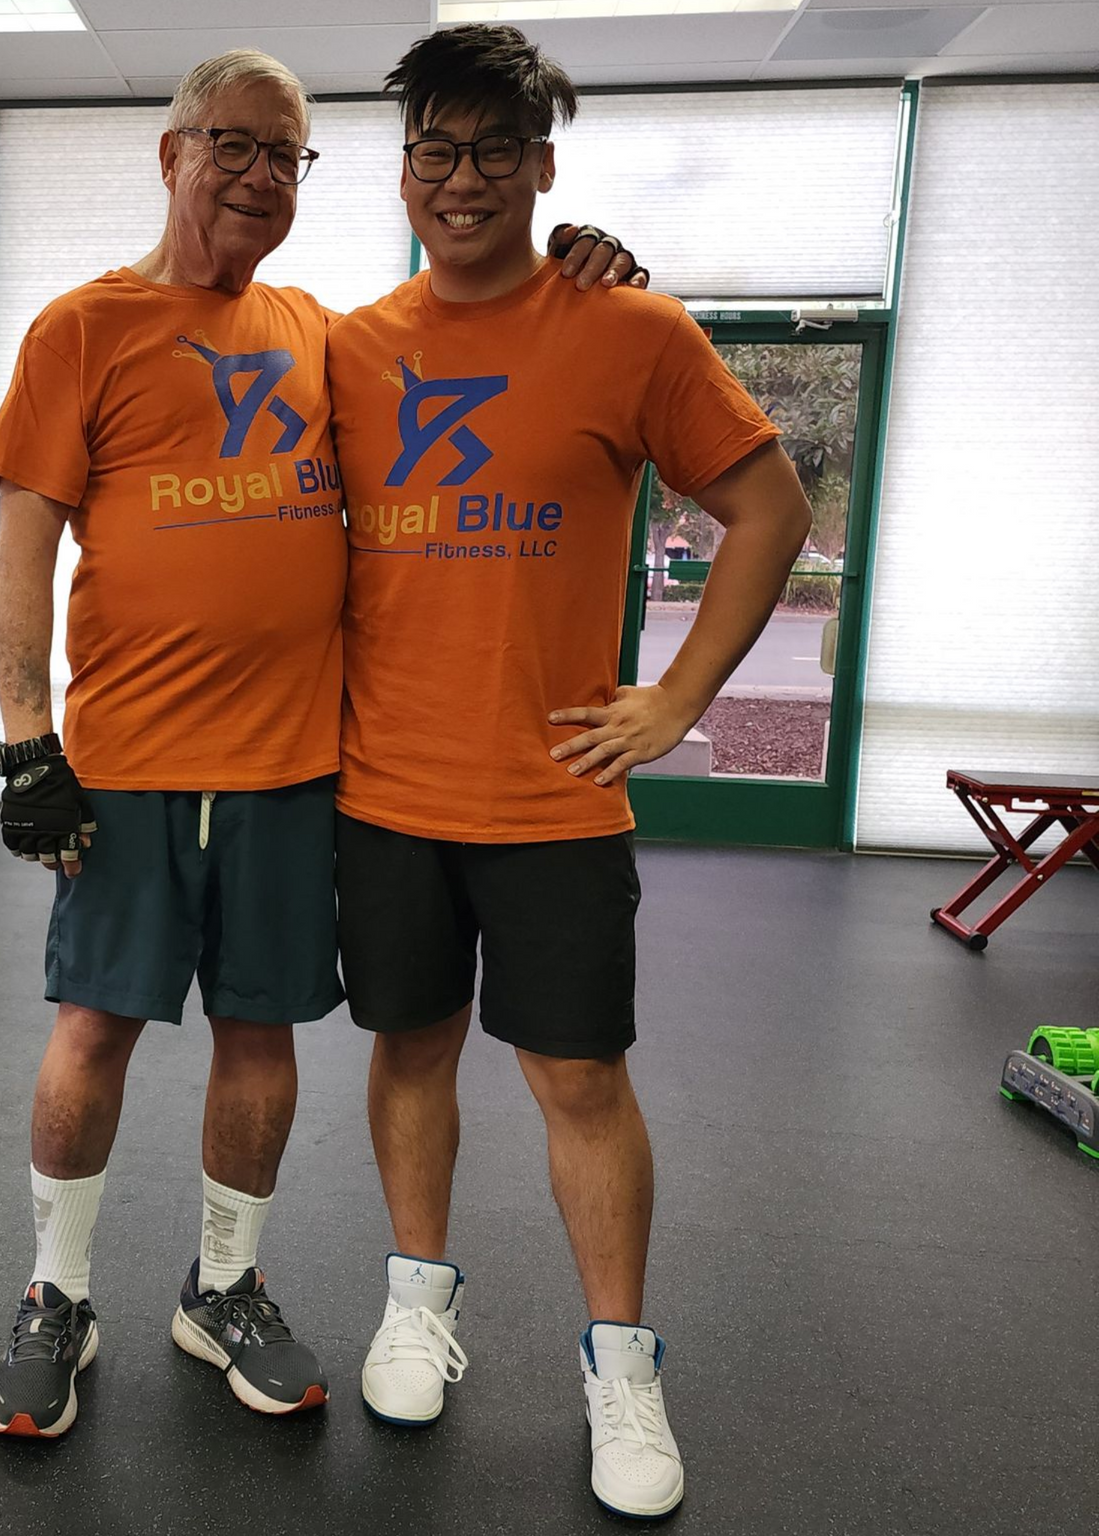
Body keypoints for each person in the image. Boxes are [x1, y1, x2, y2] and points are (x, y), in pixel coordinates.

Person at [0, 48, 639, 1440]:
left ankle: (224, 1286)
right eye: (237, 143)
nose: (261, 175)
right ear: (172, 153)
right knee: (93, 1029)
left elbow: (467, 342)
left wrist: (587, 267)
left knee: (259, 1034)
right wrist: (27, 736)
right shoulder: (80, 328)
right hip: (134, 765)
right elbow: (24, 542)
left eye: (288, 156)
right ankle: (55, 1296)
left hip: (293, 768)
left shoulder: (321, 333)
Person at [327, 24, 812, 1519]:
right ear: (402, 169)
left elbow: (771, 508)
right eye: (435, 151)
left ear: (543, 169)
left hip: (552, 797)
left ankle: (621, 1369)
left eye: (492, 152)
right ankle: (419, 1302)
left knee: (580, 1080)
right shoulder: (347, 347)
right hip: (382, 788)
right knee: (407, 1050)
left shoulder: (630, 327)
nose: (460, 180)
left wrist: (675, 697)